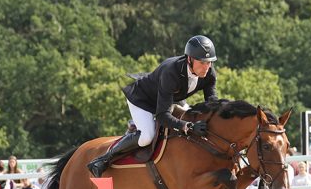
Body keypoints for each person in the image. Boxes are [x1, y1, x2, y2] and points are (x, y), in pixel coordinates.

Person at [88, 35, 218, 177]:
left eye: (209, 62)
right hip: (143, 99)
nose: (206, 67)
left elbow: (211, 102)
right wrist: (188, 126)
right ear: (189, 59)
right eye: (202, 62)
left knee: (192, 116)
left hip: (168, 100)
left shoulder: (209, 73)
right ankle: (103, 159)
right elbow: (162, 116)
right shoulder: (171, 72)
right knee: (147, 137)